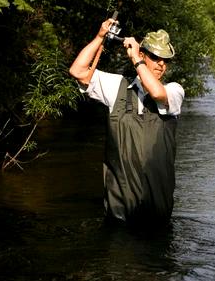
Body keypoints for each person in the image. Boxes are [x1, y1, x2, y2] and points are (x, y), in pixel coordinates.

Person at [69, 18, 184, 224]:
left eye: (165, 60)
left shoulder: (174, 90)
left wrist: (136, 61)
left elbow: (157, 93)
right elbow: (77, 72)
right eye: (155, 57)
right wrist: (100, 37)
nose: (161, 64)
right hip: (119, 212)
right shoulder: (117, 87)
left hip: (157, 212)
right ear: (143, 54)